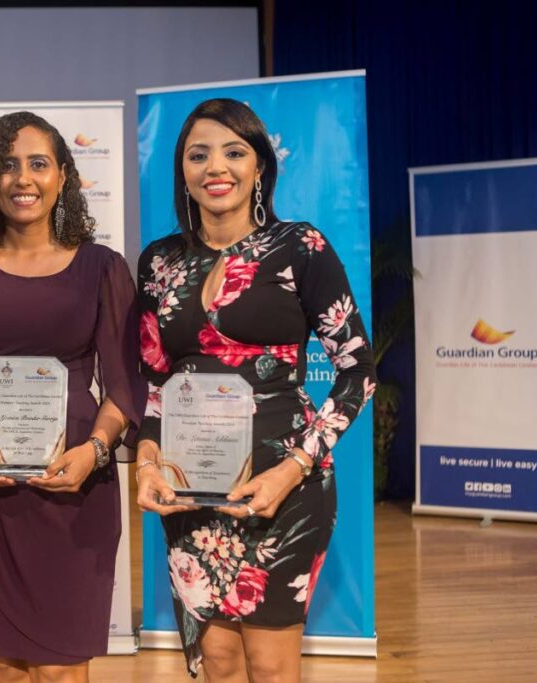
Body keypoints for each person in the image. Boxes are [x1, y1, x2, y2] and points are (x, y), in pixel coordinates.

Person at [134, 98, 376, 682]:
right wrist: (145, 462)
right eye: (199, 155)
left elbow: (357, 372)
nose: (216, 167)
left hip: (284, 484)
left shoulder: (300, 246)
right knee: (216, 661)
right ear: (184, 173)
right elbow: (154, 382)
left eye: (234, 152)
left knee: (270, 666)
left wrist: (292, 469)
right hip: (191, 488)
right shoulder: (159, 262)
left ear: (260, 167)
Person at [0, 111, 146, 683]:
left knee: (61, 668)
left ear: (63, 176)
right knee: (7, 666)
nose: (23, 178)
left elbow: (125, 385)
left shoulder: (102, 268)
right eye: (7, 165)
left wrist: (94, 451)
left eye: (38, 164)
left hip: (73, 490)